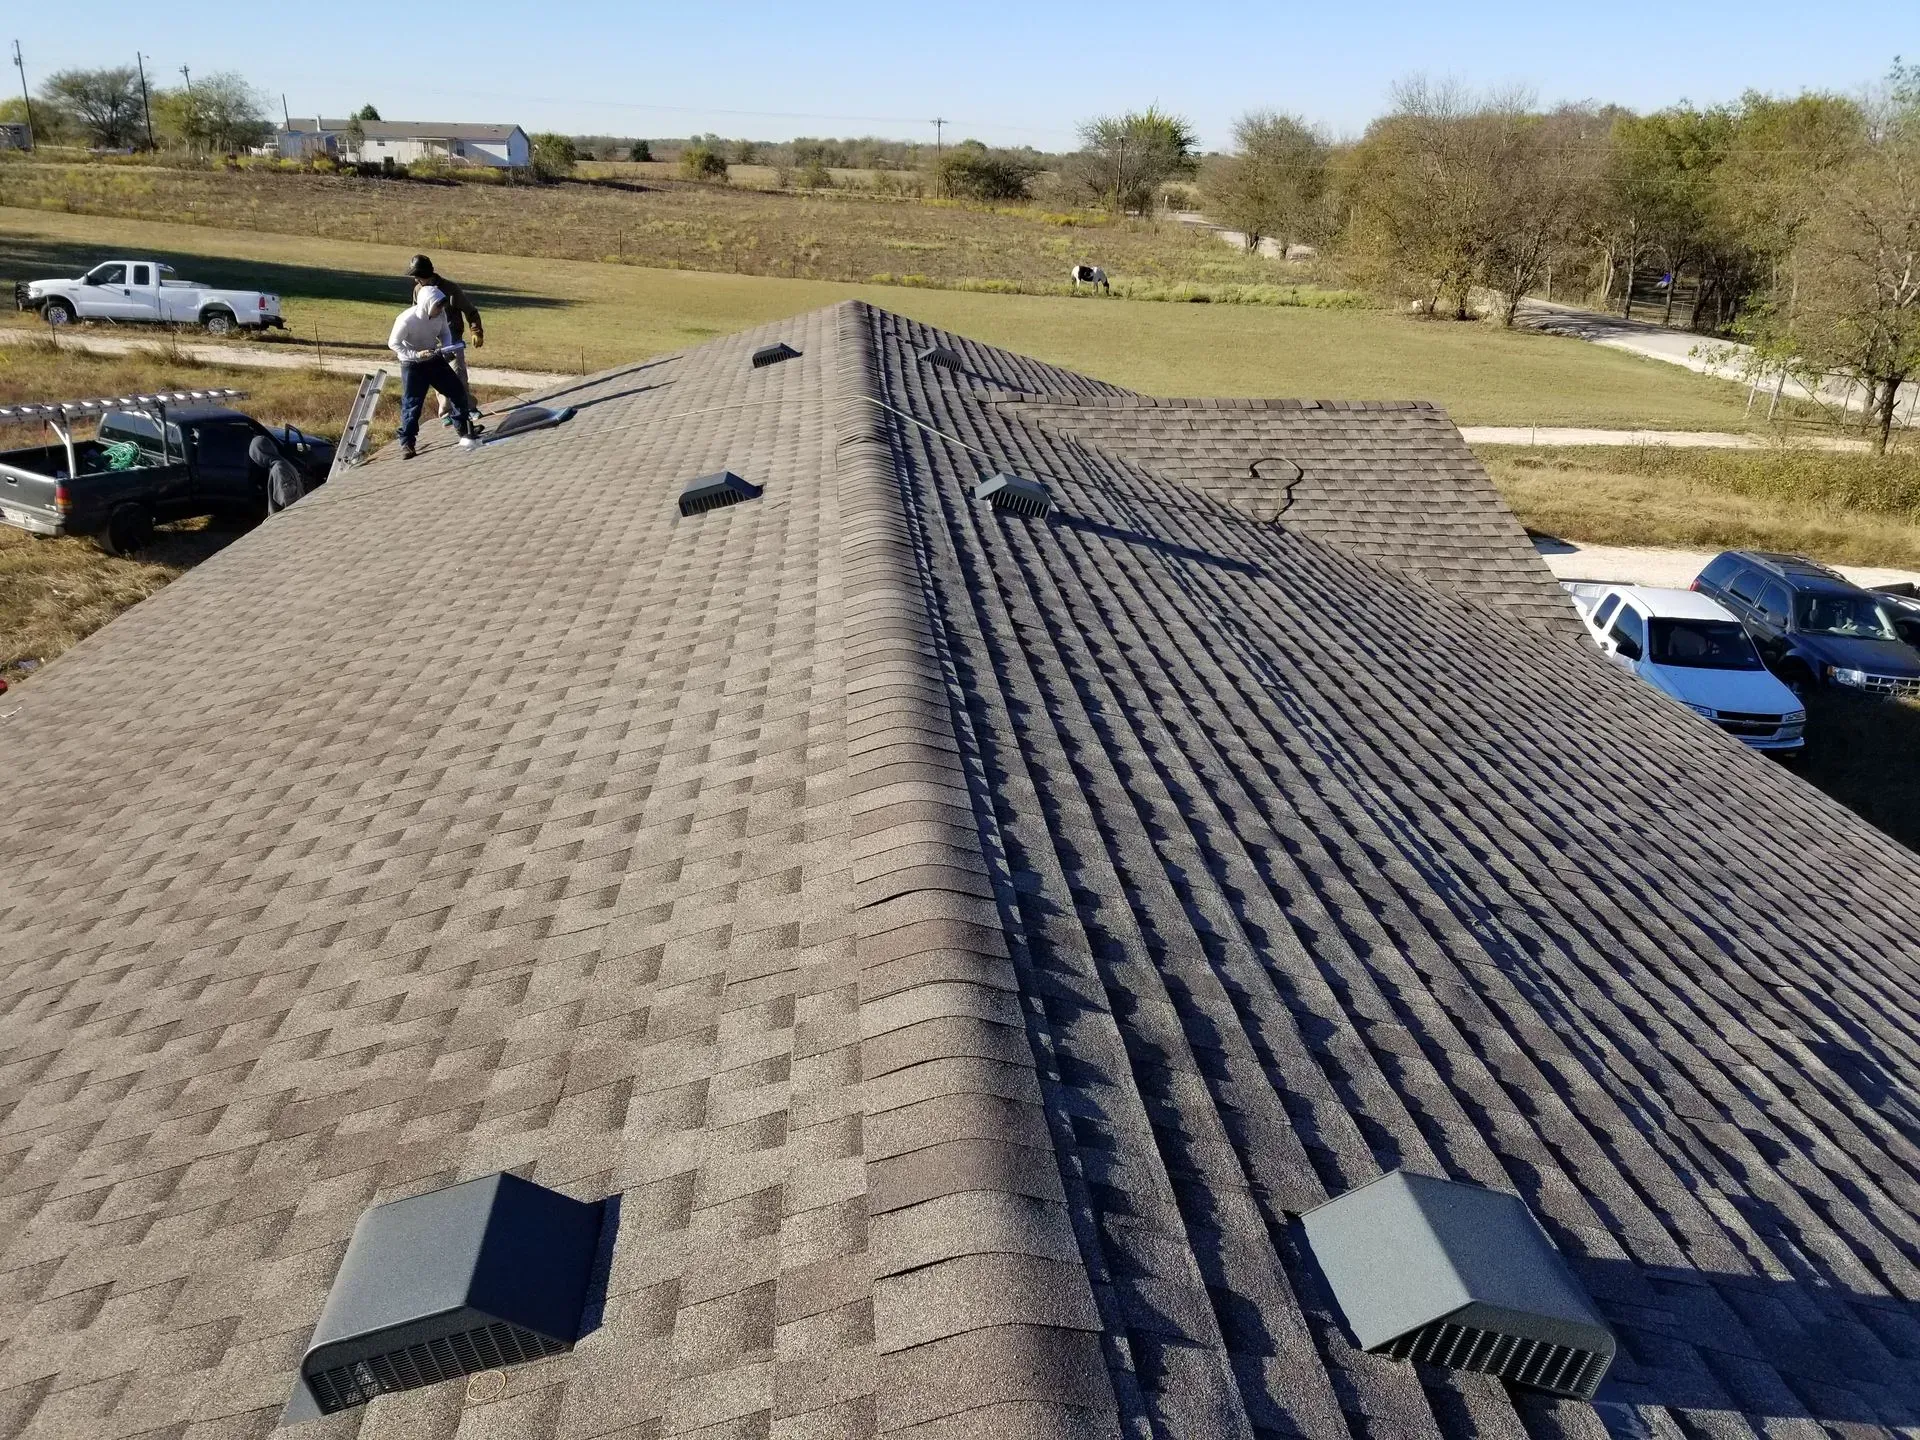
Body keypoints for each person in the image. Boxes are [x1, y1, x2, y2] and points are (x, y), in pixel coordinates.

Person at [388, 287, 480, 460]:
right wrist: (416, 354)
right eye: (437, 306)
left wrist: (446, 348)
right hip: (412, 365)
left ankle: (464, 429)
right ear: (426, 304)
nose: (440, 309)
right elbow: (393, 343)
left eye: (441, 306)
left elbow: (445, 333)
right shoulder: (406, 320)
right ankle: (407, 443)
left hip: (433, 359)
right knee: (412, 405)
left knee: (457, 392)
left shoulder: (441, 315)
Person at [406, 254, 483, 421]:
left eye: (417, 276)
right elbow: (415, 315)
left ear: (425, 274)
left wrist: (476, 331)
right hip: (430, 341)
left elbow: (471, 311)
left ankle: (468, 409)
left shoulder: (450, 289)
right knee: (438, 378)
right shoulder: (418, 290)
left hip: (453, 340)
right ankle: (446, 413)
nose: (415, 280)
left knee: (458, 374)